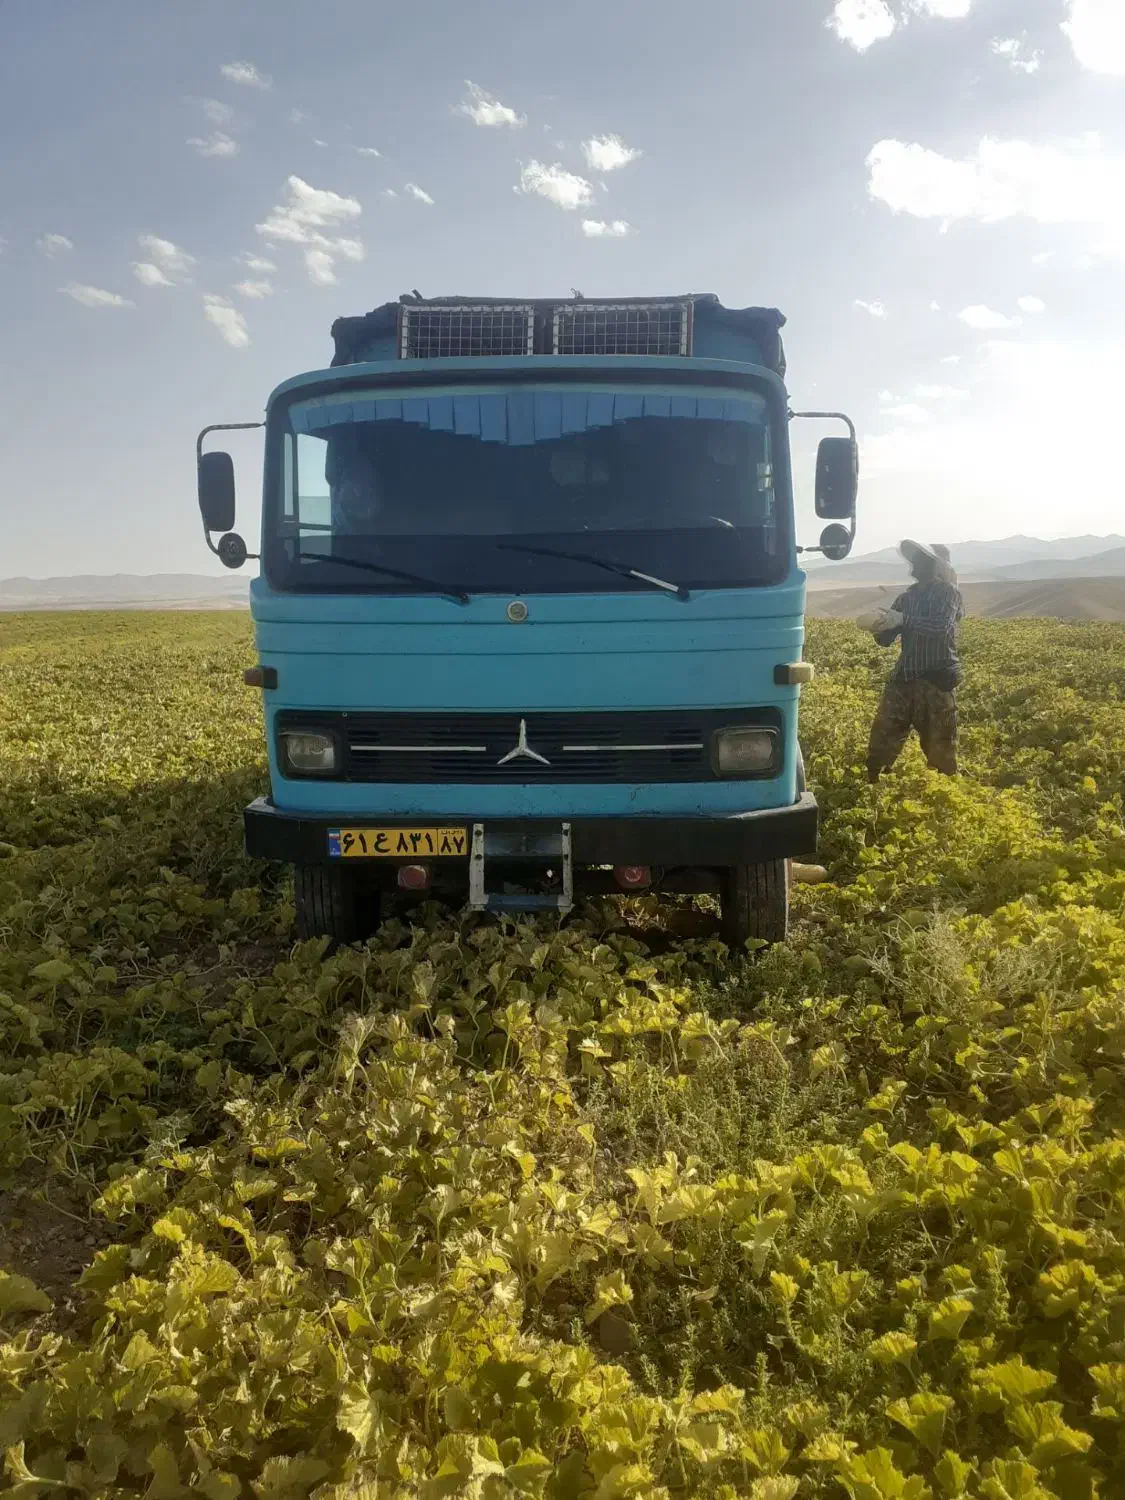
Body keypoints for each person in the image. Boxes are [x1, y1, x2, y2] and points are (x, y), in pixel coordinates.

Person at [858, 540, 964, 783]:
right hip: (903, 681)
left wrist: (904, 619)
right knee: (881, 744)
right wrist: (880, 626)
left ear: (935, 566)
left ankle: (943, 796)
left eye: (921, 559)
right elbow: (885, 641)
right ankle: (874, 786)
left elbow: (940, 626)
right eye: (914, 559)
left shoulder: (948, 594)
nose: (915, 564)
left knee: (941, 752)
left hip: (936, 682)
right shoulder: (907, 598)